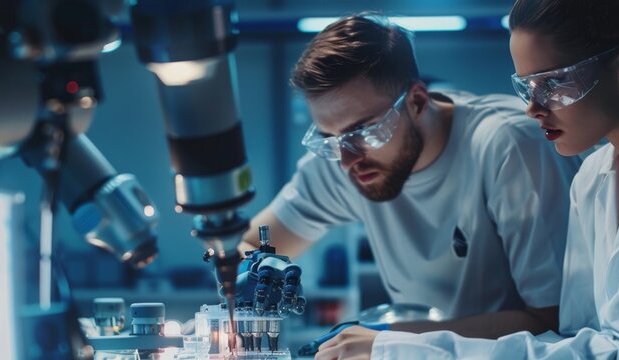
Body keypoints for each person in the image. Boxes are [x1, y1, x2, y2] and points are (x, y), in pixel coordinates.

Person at [318, 0, 619, 358]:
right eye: (527, 87)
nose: (533, 108)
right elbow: (572, 338)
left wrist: (402, 348)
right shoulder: (593, 177)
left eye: (553, 83)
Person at [238, 13, 582, 348]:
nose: (346, 159)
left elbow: (555, 320)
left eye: (365, 131)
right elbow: (249, 246)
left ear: (417, 101)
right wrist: (258, 275)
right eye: (329, 138)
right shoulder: (344, 155)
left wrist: (394, 339)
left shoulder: (510, 147)